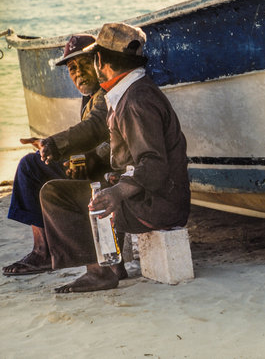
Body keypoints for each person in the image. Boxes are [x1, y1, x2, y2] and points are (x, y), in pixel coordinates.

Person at [40, 22, 190, 293]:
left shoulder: (135, 101)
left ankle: (101, 272)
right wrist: (114, 178)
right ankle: (113, 264)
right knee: (97, 179)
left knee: (56, 195)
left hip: (158, 207)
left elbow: (153, 165)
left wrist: (117, 192)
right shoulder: (133, 92)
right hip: (161, 199)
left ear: (99, 60)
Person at [3, 34, 111, 276]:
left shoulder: (105, 94)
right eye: (72, 68)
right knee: (36, 163)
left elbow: (96, 128)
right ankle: (44, 249)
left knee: (30, 166)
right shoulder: (92, 97)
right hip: (99, 168)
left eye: (84, 64)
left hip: (109, 176)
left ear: (98, 62)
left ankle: (44, 252)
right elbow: (96, 139)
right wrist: (79, 157)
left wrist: (53, 144)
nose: (79, 73)